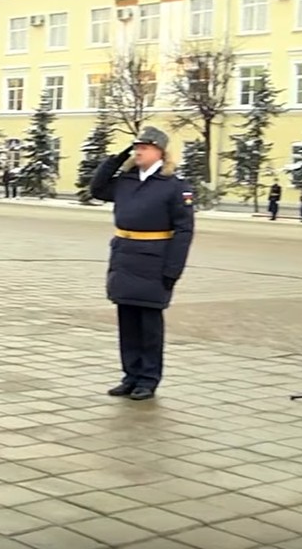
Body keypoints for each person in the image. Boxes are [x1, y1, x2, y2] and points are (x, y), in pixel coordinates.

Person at [88, 126, 195, 401]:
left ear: (160, 151)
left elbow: (184, 230)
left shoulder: (174, 186)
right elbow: (97, 188)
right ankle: (130, 375)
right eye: (136, 147)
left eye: (144, 147)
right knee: (127, 322)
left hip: (154, 260)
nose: (138, 152)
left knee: (149, 324)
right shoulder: (126, 180)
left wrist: (173, 269)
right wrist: (118, 156)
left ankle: (148, 378)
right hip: (125, 256)